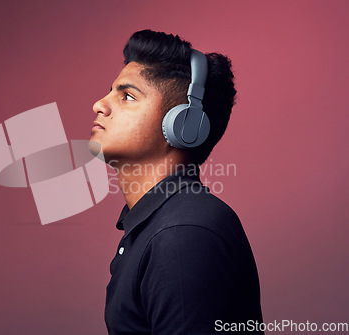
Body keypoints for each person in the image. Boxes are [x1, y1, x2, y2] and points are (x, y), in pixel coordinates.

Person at [89, 30, 263, 334]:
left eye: (127, 96)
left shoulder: (183, 234)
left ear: (184, 125)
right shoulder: (161, 224)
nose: (99, 105)